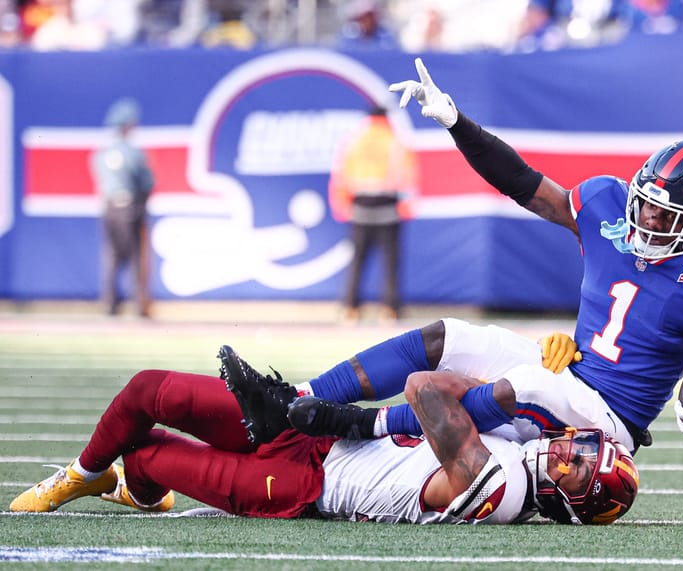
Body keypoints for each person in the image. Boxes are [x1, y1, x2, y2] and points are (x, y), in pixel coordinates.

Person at [382, 58, 683, 448]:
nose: (649, 219)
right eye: (646, 204)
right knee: (451, 339)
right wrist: (457, 123)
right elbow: (523, 183)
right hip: (570, 381)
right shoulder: (608, 209)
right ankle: (322, 398)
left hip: (608, 424)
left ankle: (379, 425)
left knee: (519, 388)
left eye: (666, 214)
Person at [8, 346, 639, 526]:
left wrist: (516, 375)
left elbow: (422, 387)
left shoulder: (501, 491)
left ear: (567, 503)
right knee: (150, 389)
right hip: (317, 435)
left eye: (579, 468)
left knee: (148, 452)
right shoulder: (528, 449)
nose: (569, 451)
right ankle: (92, 477)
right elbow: (465, 397)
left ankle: (125, 483)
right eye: (584, 446)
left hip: (307, 483)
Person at [328, 104, 418, 323]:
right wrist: (407, 206)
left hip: (359, 208)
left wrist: (341, 205)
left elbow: (340, 175)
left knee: (357, 261)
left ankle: (350, 308)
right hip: (388, 208)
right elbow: (408, 176)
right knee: (390, 261)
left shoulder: (355, 141)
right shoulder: (395, 141)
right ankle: (390, 309)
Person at [90, 97, 155, 318]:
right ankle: (139, 305)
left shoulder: (101, 154)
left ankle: (109, 304)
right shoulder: (133, 153)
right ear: (128, 125)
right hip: (130, 208)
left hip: (108, 208)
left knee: (112, 257)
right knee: (136, 257)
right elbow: (147, 183)